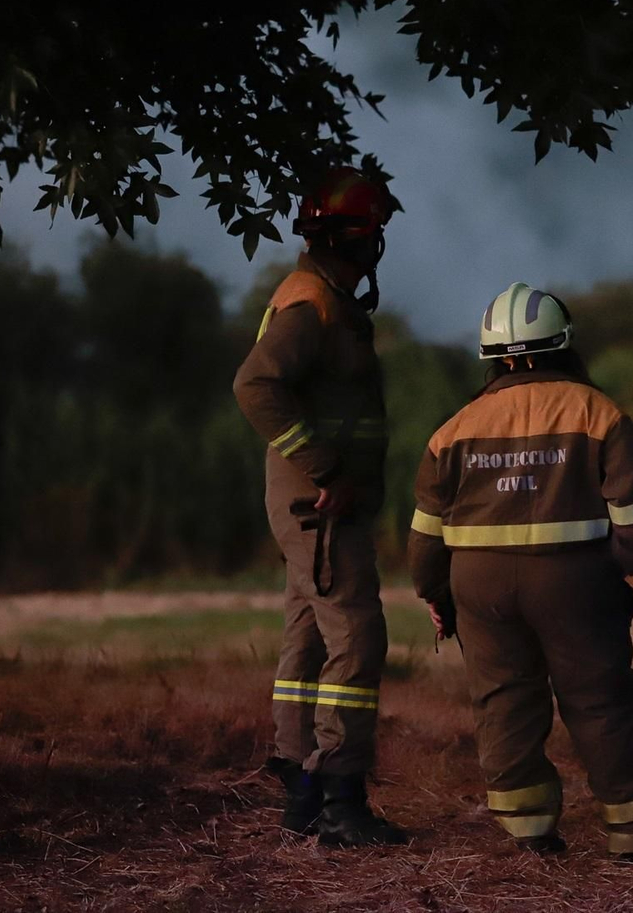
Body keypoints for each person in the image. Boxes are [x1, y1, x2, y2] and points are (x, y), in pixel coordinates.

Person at [406, 282, 633, 861]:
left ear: (490, 357)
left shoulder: (453, 429)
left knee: (503, 703)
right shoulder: (599, 412)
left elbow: (423, 538)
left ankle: (526, 835)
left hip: (479, 587)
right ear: (565, 344)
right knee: (598, 702)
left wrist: (439, 595)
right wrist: (605, 572)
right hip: (575, 581)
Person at [232, 166, 407, 846]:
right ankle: (340, 796)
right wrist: (326, 466)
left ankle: (302, 784)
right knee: (357, 638)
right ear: (356, 235)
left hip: (317, 504)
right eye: (378, 228)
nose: (382, 241)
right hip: (320, 504)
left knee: (307, 637)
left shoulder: (323, 296)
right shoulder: (312, 305)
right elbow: (255, 384)